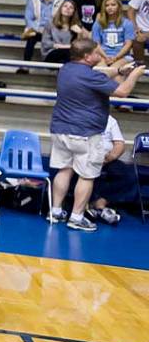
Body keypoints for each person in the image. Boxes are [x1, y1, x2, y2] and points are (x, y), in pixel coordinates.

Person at [48, 38, 144, 232]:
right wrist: (134, 74)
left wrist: (118, 71)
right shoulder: (93, 77)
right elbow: (123, 92)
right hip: (86, 133)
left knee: (64, 170)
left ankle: (55, 211)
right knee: (87, 176)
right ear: (86, 56)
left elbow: (94, 75)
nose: (100, 56)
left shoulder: (65, 69)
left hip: (60, 130)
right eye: (96, 53)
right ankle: (76, 217)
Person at [86, 115, 127, 226]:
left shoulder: (110, 120)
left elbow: (119, 144)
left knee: (126, 173)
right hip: (85, 158)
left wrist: (110, 157)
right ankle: (92, 206)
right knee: (79, 172)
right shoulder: (82, 115)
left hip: (107, 159)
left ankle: (100, 204)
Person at [19, 0, 63, 73]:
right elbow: (28, 18)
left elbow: (61, 19)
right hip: (36, 30)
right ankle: (25, 66)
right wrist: (38, 29)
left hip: (53, 31)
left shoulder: (60, 0)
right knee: (31, 37)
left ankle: (58, 69)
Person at [93, 0, 136, 68]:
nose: (110, 7)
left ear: (119, 7)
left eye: (113, 5)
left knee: (114, 71)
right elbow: (96, 44)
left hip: (122, 56)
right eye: (107, 5)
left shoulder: (127, 23)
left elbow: (128, 44)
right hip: (103, 55)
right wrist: (106, 57)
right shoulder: (98, 23)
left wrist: (116, 57)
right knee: (101, 71)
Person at [41, 0, 83, 64]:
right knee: (66, 54)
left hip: (68, 55)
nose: (68, 8)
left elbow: (78, 47)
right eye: (65, 6)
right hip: (51, 53)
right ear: (60, 9)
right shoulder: (50, 23)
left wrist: (79, 33)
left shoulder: (76, 26)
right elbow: (46, 43)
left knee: (68, 57)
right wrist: (63, 46)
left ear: (73, 12)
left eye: (71, 7)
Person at [126, 0, 149, 65]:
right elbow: (130, 11)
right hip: (140, 28)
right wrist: (135, 28)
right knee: (137, 39)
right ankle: (140, 64)